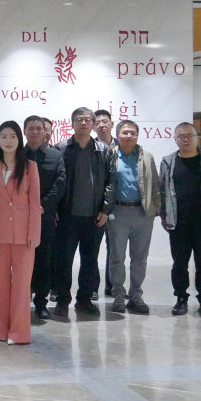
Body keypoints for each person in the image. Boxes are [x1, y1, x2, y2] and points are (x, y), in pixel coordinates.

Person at [0, 121, 41, 344]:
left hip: (23, 233)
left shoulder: (29, 167)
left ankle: (19, 333)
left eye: (13, 136)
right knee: (0, 284)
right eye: (4, 136)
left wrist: (34, 233)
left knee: (22, 286)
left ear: (19, 139)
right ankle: (2, 331)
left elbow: (34, 202)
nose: (8, 141)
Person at [52, 107, 115, 317]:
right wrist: (54, 208)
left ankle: (85, 299)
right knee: (63, 261)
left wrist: (105, 209)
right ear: (72, 124)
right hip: (66, 215)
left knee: (90, 260)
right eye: (79, 119)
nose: (84, 123)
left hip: (94, 217)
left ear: (93, 124)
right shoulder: (61, 149)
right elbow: (54, 182)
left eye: (88, 119)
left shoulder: (104, 150)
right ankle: (62, 300)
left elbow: (111, 182)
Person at [160, 122, 201, 319]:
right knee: (179, 264)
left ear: (197, 138)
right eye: (181, 136)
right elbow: (161, 190)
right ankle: (181, 299)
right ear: (175, 139)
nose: (186, 139)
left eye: (190, 135)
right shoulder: (168, 162)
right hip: (178, 222)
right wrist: (163, 215)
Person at [107, 120, 159, 315]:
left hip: (142, 214)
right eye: (124, 133)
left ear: (137, 136)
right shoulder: (110, 156)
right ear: (117, 135)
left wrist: (156, 210)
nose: (128, 136)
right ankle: (118, 296)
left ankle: (136, 295)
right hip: (117, 213)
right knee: (117, 257)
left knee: (140, 258)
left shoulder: (147, 157)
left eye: (132, 133)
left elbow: (155, 184)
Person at [22, 116, 66, 320]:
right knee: (21, 261)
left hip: (44, 217)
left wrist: (42, 206)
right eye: (30, 128)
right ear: (24, 131)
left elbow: (60, 183)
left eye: (38, 128)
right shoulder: (16, 155)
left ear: (45, 132)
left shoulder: (55, 156)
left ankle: (41, 303)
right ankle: (21, 301)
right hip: (19, 217)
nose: (34, 132)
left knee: (43, 261)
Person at [94, 109, 116, 298]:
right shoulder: (90, 147)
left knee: (114, 249)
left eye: (105, 121)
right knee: (92, 250)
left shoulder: (123, 147)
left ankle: (112, 286)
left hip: (117, 207)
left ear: (111, 124)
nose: (102, 125)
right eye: (97, 122)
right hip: (95, 208)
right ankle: (92, 288)